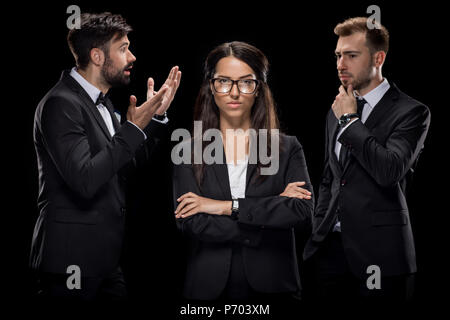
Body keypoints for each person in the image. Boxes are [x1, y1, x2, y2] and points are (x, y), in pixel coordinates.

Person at [30, 12, 181, 301]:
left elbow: (126, 164)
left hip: (105, 260)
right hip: (69, 264)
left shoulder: (102, 102)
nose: (132, 56)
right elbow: (85, 179)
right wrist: (134, 128)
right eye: (123, 48)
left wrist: (156, 118)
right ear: (97, 56)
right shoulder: (60, 104)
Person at [172, 41, 313, 303]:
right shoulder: (188, 150)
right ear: (211, 87)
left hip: (275, 286)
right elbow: (189, 220)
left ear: (259, 89)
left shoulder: (287, 148)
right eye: (224, 81)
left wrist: (224, 207)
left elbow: (301, 212)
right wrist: (267, 217)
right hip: (208, 289)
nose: (234, 92)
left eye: (246, 82)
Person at [303, 17, 430, 302]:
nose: (340, 64)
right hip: (328, 252)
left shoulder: (412, 112)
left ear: (378, 57)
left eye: (351, 55)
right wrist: (319, 227)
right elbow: (329, 177)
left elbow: (389, 170)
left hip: (381, 256)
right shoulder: (335, 109)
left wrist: (349, 120)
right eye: (338, 55)